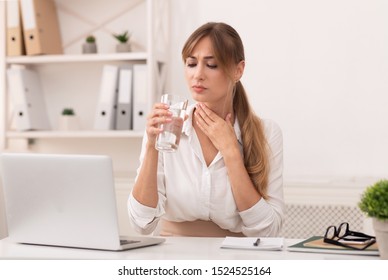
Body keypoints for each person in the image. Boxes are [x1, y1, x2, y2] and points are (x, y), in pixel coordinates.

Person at [128, 22, 285, 237]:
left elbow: (268, 230)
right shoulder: (166, 127)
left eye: (211, 65)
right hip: (172, 257)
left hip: (237, 259)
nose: (198, 75)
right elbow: (141, 223)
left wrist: (231, 152)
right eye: (191, 64)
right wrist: (152, 148)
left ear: (238, 70)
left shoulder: (267, 133)